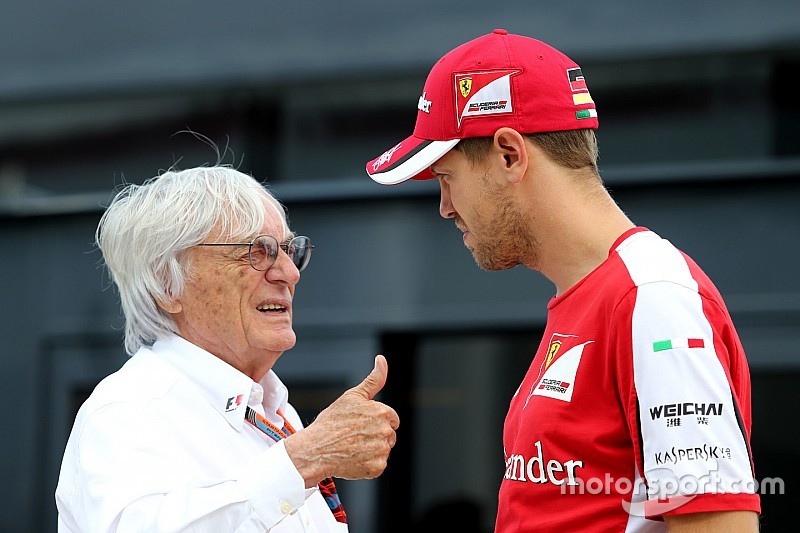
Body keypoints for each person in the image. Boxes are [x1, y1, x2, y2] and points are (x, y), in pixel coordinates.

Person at [365, 29, 760, 532]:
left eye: (446, 178)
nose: (445, 208)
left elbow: (719, 526)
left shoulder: (651, 296)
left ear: (509, 153)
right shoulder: (600, 293)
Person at [56, 166, 400, 532]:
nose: (289, 272)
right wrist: (303, 459)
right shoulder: (129, 410)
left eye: (288, 250)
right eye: (258, 251)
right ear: (167, 285)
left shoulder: (277, 415)